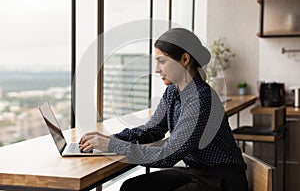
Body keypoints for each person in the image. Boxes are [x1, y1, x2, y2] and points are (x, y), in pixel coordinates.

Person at [79, 28, 249, 191]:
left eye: (162, 61)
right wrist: (110, 139)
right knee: (132, 188)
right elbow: (152, 129)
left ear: (184, 59)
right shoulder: (173, 91)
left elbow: (168, 155)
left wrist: (113, 145)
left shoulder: (201, 99)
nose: (156, 69)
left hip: (221, 182)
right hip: (196, 171)